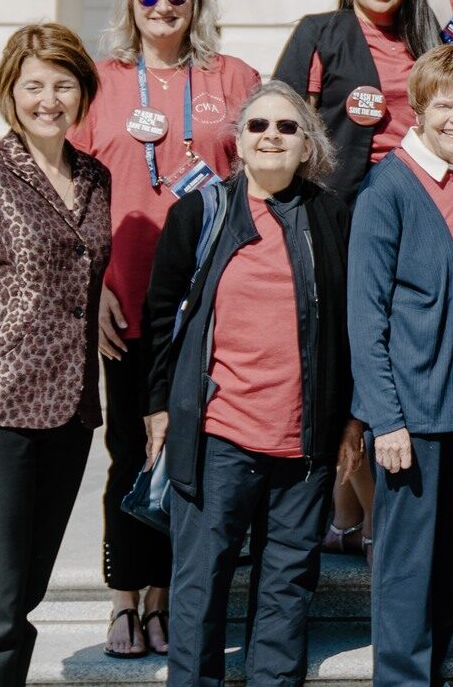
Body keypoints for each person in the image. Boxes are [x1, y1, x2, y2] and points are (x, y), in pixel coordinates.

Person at [67, 0, 260, 659]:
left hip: (209, 300)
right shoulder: (101, 81)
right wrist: (90, 295)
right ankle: (127, 600)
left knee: (197, 453)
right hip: (126, 299)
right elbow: (75, 194)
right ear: (130, 5)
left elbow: (257, 179)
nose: (164, 10)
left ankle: (175, 596)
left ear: (196, 2)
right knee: (127, 451)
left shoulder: (232, 76)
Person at [144, 81, 356, 687]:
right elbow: (163, 316)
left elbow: (349, 323)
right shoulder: (200, 213)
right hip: (219, 433)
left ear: (307, 144)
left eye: (287, 127)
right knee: (200, 582)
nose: (271, 136)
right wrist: (157, 406)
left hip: (304, 437)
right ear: (238, 141)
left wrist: (350, 419)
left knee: (287, 588)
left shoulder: (330, 214)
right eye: (258, 125)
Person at [0, 24, 109, 687]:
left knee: (24, 599)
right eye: (34, 85)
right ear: (11, 92)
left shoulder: (95, 177)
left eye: (63, 83)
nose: (49, 98)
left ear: (82, 91)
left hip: (68, 421)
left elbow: (82, 269)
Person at [348, 46, 453, 687]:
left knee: (448, 551)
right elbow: (366, 314)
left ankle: (430, 668)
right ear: (419, 106)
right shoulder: (389, 187)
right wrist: (385, 419)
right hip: (412, 393)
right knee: (408, 557)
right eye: (446, 103)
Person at [274, 0, 439, 196]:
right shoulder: (322, 33)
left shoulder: (425, 37)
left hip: (417, 185)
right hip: (341, 195)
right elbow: (289, 116)